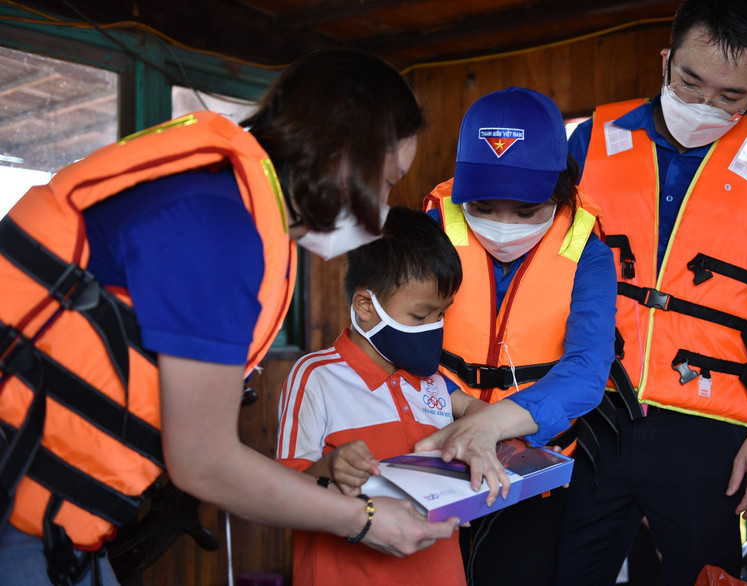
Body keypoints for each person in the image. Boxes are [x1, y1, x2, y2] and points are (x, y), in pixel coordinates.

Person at [0, 49, 459, 586]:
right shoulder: (217, 226)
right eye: (386, 182)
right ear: (341, 156)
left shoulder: (220, 197)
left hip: (51, 518)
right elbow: (204, 461)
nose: (382, 211)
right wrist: (366, 521)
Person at [556, 1, 747, 584]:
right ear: (666, 60)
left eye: (731, 96)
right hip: (590, 414)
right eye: (690, 82)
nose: (704, 105)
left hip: (707, 428)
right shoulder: (590, 142)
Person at [418, 87, 619, 586]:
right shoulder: (429, 233)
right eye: (484, 207)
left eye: (527, 212)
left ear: (560, 191)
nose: (503, 226)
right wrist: (466, 413)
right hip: (430, 450)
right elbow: (395, 343)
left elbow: (586, 373)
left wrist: (489, 427)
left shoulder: (588, 253)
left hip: (535, 472)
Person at [275, 205, 477, 585]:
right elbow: (280, 493)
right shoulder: (316, 378)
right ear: (366, 307)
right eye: (420, 317)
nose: (434, 328)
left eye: (442, 314)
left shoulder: (435, 383)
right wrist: (330, 467)